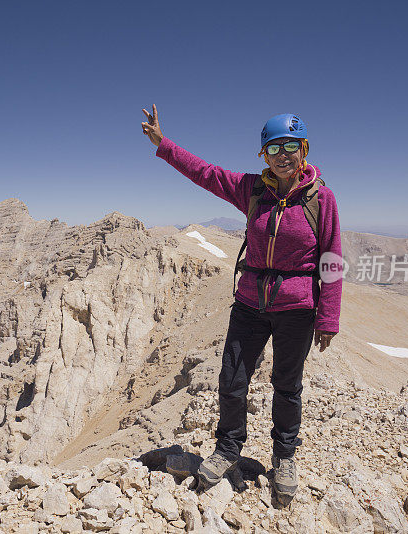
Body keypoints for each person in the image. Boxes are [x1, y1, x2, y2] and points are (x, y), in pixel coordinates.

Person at [141, 105, 342, 504]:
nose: (282, 156)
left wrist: (328, 317)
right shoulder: (252, 190)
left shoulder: (322, 199)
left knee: (287, 387)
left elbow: (331, 258)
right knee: (232, 381)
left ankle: (284, 458)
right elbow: (206, 173)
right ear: (263, 155)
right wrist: (165, 146)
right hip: (250, 303)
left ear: (303, 149)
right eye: (273, 149)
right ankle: (228, 448)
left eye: (290, 147)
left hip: (297, 308)